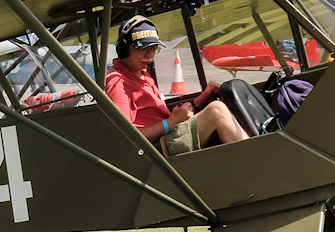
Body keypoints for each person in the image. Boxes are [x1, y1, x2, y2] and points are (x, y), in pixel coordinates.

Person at [104, 15, 249, 155]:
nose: (150, 55)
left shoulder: (141, 72)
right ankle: (257, 162)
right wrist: (170, 123)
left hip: (167, 137)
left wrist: (197, 103)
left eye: (154, 48)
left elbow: (158, 116)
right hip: (155, 150)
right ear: (124, 48)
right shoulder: (117, 83)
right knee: (216, 111)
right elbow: (124, 138)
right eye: (143, 48)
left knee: (224, 105)